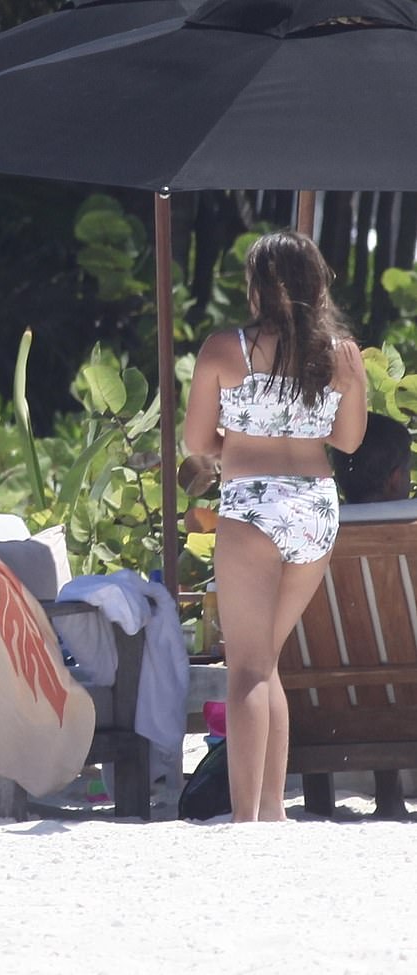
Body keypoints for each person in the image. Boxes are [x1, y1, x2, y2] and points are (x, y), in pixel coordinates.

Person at [184, 229, 367, 823]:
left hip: (253, 506)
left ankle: (245, 819)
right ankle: (272, 812)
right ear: (318, 283)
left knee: (246, 667)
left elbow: (195, 442)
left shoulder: (225, 349)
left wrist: (237, 442)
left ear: (257, 284)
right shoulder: (338, 353)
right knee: (268, 662)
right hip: (315, 506)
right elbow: (347, 440)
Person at [332, 411, 413, 818]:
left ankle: (388, 790)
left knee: (372, 649)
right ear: (397, 477)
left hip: (332, 707)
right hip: (410, 694)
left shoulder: (315, 535)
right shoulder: (410, 529)